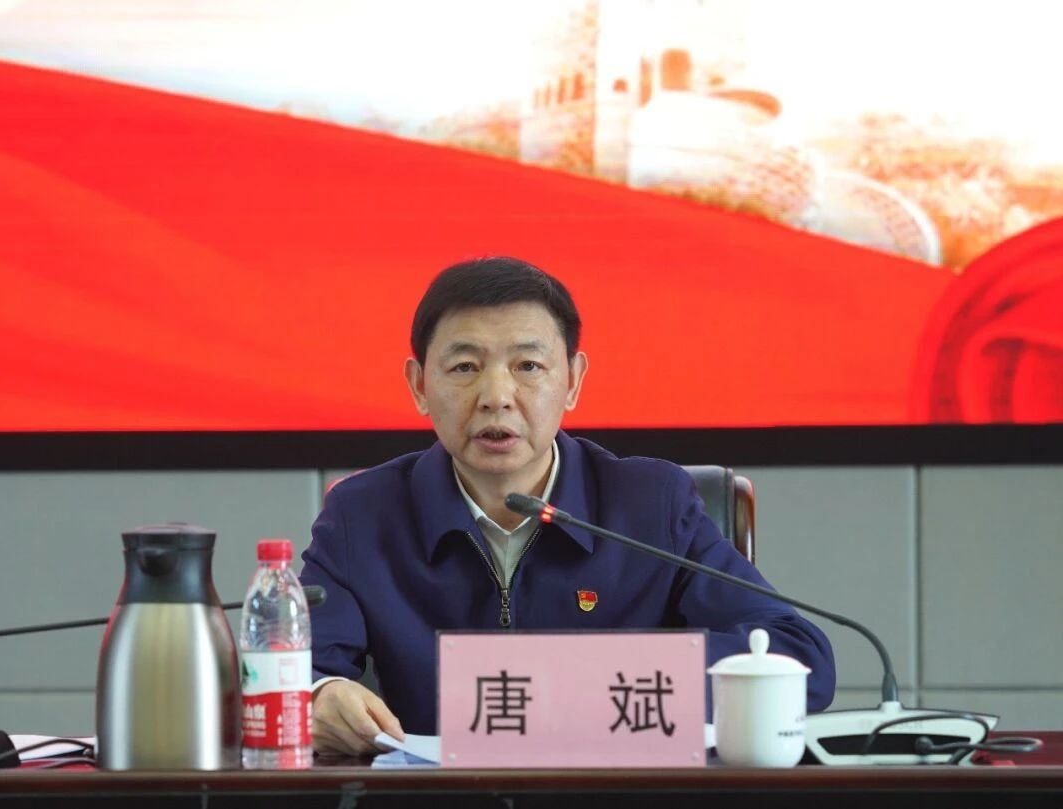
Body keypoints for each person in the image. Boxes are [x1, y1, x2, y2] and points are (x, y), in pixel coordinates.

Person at [300, 256, 835, 756]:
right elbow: (293, 669)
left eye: (528, 365)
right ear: (419, 385)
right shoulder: (362, 516)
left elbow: (798, 657)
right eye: (464, 367)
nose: (496, 396)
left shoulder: (651, 505)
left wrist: (587, 682)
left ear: (573, 381)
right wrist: (320, 696)